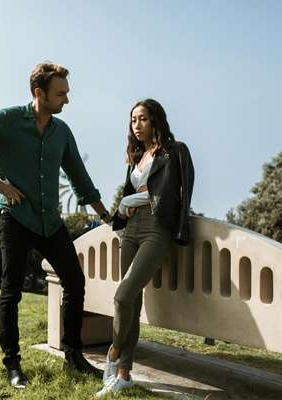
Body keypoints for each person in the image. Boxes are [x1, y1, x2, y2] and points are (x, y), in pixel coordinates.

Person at [0, 63, 112, 389]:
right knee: (11, 291)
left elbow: (80, 178)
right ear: (40, 93)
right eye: (61, 94)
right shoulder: (8, 120)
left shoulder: (61, 131)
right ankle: (12, 364)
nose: (66, 99)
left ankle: (73, 355)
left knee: (74, 281)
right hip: (15, 218)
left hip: (50, 221)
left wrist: (107, 216)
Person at [95, 99, 194, 397]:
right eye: (133, 120)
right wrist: (123, 210)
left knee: (122, 295)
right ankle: (124, 374)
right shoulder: (136, 156)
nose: (136, 125)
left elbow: (172, 193)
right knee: (132, 302)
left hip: (157, 228)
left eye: (142, 119)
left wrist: (128, 201)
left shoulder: (174, 151)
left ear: (156, 121)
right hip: (132, 229)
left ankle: (113, 352)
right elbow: (134, 193)